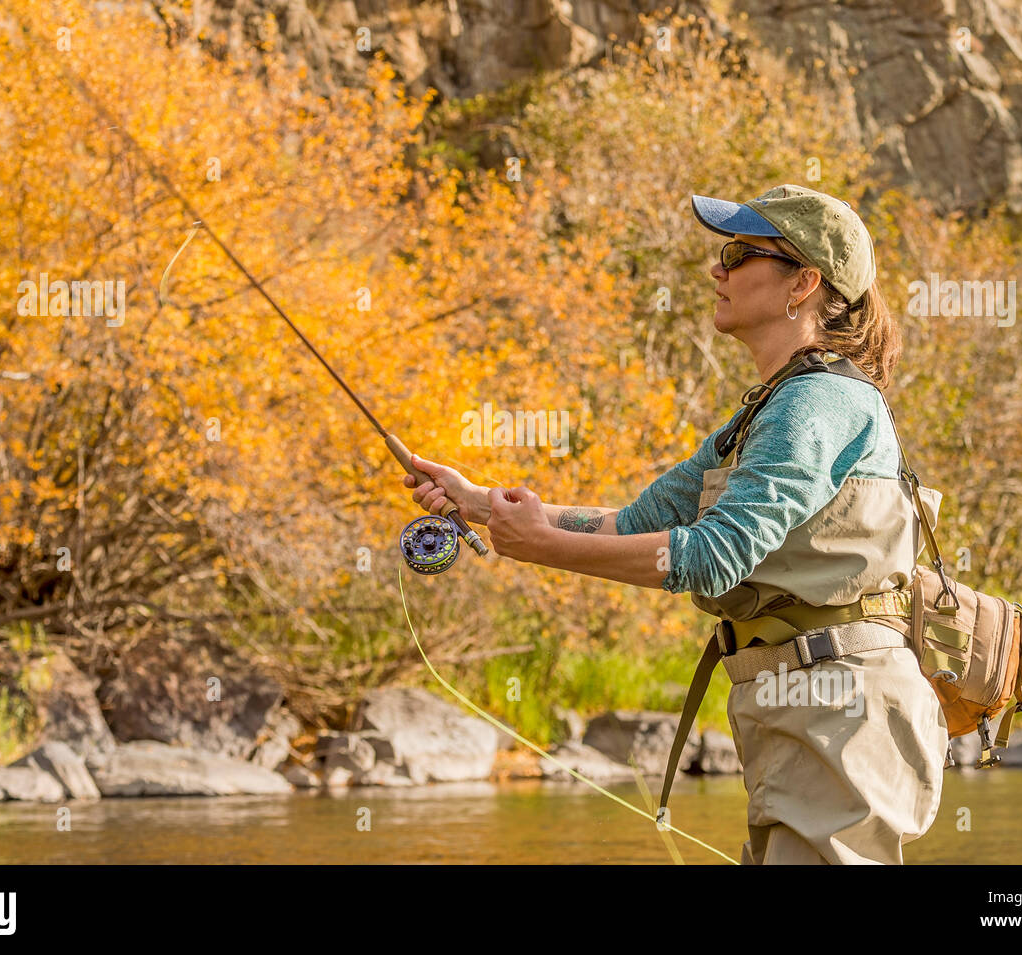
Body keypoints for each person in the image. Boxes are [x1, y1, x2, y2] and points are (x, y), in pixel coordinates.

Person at [404, 184, 948, 865]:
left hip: (839, 713)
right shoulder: (767, 411)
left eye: (737, 253)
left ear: (803, 282)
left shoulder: (818, 403)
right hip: (799, 710)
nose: (715, 271)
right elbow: (639, 523)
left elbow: (714, 555)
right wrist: (482, 503)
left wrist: (543, 545)